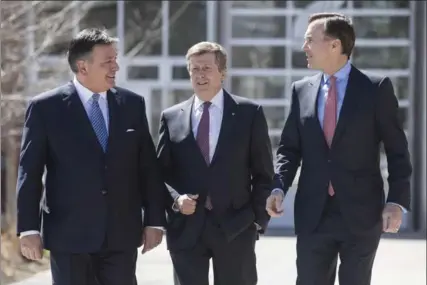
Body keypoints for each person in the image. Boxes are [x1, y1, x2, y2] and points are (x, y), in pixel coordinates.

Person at [266, 13, 412, 285]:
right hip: (313, 213)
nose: (304, 47)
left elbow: (397, 150)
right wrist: (278, 187)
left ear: (334, 45)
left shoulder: (375, 88)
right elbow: (289, 148)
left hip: (361, 212)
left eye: (310, 40)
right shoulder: (301, 90)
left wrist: (396, 201)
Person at [16, 28, 166, 285]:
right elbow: (29, 171)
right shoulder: (45, 108)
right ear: (82, 66)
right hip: (69, 236)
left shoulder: (132, 105)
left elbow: (147, 168)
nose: (116, 66)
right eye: (108, 61)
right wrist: (28, 228)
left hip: (121, 234)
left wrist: (154, 220)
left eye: (115, 59)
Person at [157, 41, 274, 285]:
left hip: (237, 228)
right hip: (187, 229)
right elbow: (160, 175)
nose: (200, 74)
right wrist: (176, 201)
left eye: (207, 68)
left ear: (222, 72)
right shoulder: (171, 117)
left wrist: (255, 219)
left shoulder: (249, 113)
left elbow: (263, 173)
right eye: (194, 69)